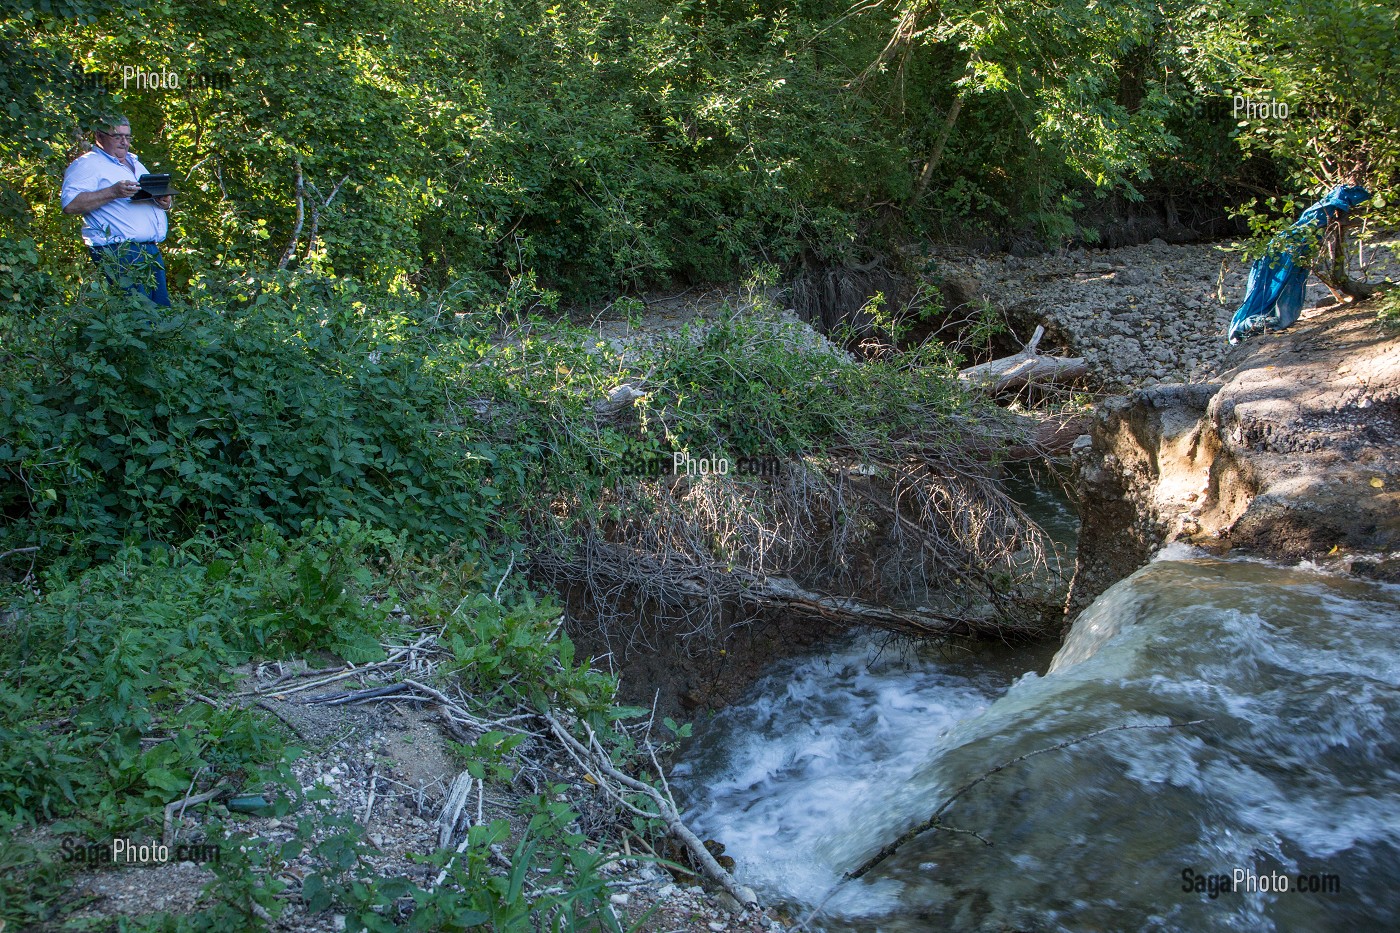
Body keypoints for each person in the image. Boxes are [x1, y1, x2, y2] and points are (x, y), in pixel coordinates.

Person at [60, 116, 174, 306]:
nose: (124, 142)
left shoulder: (135, 163)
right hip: (118, 250)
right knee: (135, 312)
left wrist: (163, 202)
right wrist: (112, 192)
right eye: (117, 136)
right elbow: (70, 204)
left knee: (161, 312)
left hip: (149, 250)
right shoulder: (88, 164)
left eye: (128, 137)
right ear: (99, 136)